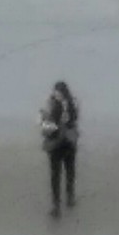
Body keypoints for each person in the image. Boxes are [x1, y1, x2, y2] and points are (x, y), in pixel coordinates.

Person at [39, 80, 80, 219]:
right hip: (55, 143)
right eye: (55, 92)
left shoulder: (71, 104)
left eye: (59, 92)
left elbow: (74, 119)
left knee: (70, 171)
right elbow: (44, 121)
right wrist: (47, 122)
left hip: (68, 142)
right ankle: (56, 204)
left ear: (64, 93)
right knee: (55, 174)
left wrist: (68, 117)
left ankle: (70, 196)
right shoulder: (50, 104)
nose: (56, 94)